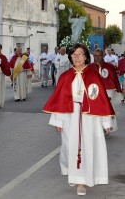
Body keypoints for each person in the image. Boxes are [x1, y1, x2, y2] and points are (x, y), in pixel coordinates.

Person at [43, 43, 115, 196]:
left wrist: (106, 122)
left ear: (86, 57)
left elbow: (101, 100)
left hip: (90, 118)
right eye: (74, 54)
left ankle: (82, 181)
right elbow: (59, 100)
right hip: (70, 116)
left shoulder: (93, 75)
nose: (76, 57)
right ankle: (73, 173)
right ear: (70, 57)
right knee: (70, 146)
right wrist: (57, 120)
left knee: (88, 147)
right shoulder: (65, 76)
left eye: (80, 54)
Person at [90, 49, 122, 137]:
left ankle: (107, 127)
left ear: (103, 56)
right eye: (95, 56)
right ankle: (98, 128)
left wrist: (117, 89)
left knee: (108, 108)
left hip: (108, 90)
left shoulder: (110, 67)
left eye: (99, 55)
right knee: (96, 109)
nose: (97, 58)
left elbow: (114, 78)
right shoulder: (90, 67)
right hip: (95, 90)